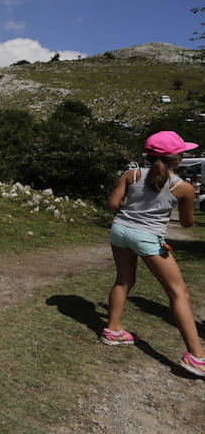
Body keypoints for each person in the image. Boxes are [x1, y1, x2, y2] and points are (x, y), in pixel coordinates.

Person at [102, 131, 204, 377]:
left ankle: (114, 330)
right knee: (178, 292)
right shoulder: (184, 187)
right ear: (176, 159)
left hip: (120, 230)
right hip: (148, 238)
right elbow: (188, 224)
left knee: (123, 280)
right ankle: (197, 357)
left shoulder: (132, 174)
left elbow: (114, 204)